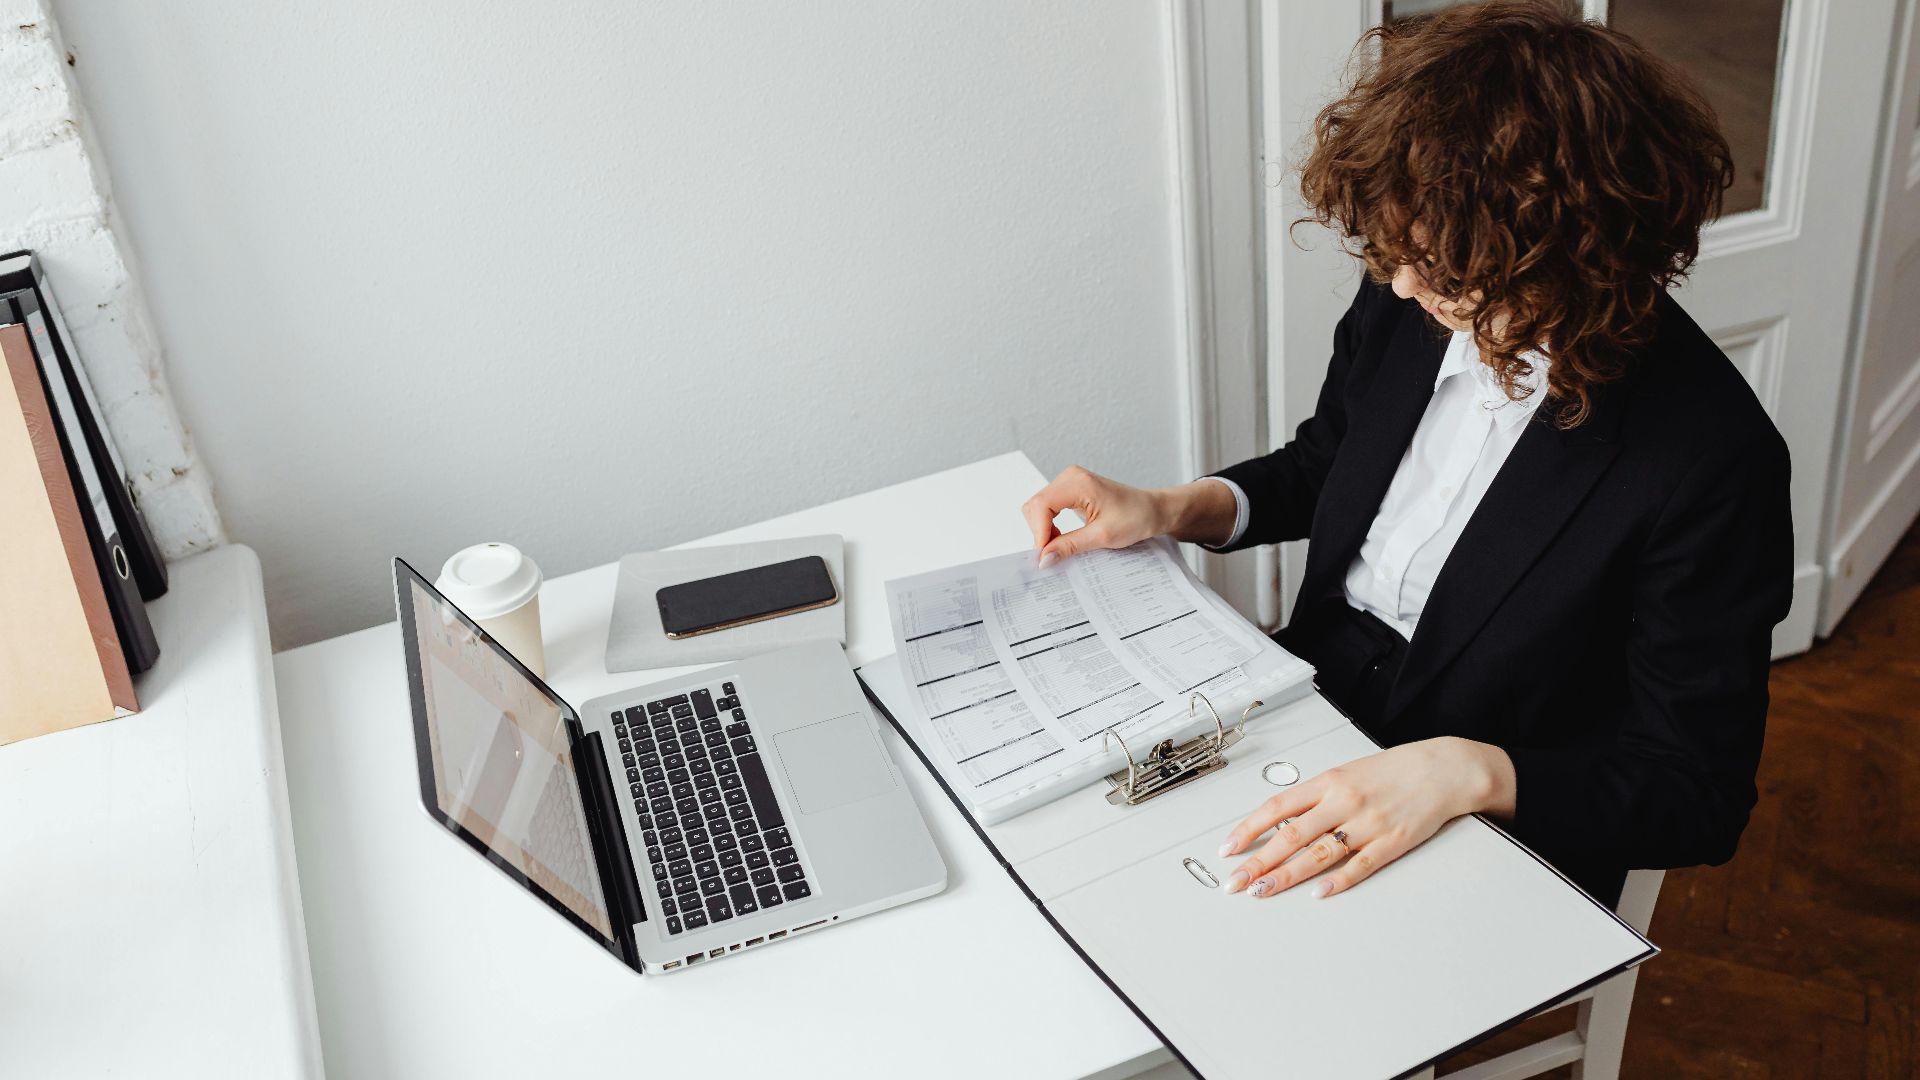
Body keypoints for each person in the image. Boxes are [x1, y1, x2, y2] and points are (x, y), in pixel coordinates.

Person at [1021, 0, 1791, 907]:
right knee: (1082, 867)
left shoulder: (1711, 459)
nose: (1402, 283)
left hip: (1491, 801)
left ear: (1576, 257)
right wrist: (1172, 508)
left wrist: (1469, 775)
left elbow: (1694, 793)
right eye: (1399, 252)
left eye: (1448, 270)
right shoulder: (1423, 280)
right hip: (1310, 695)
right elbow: (1330, 464)